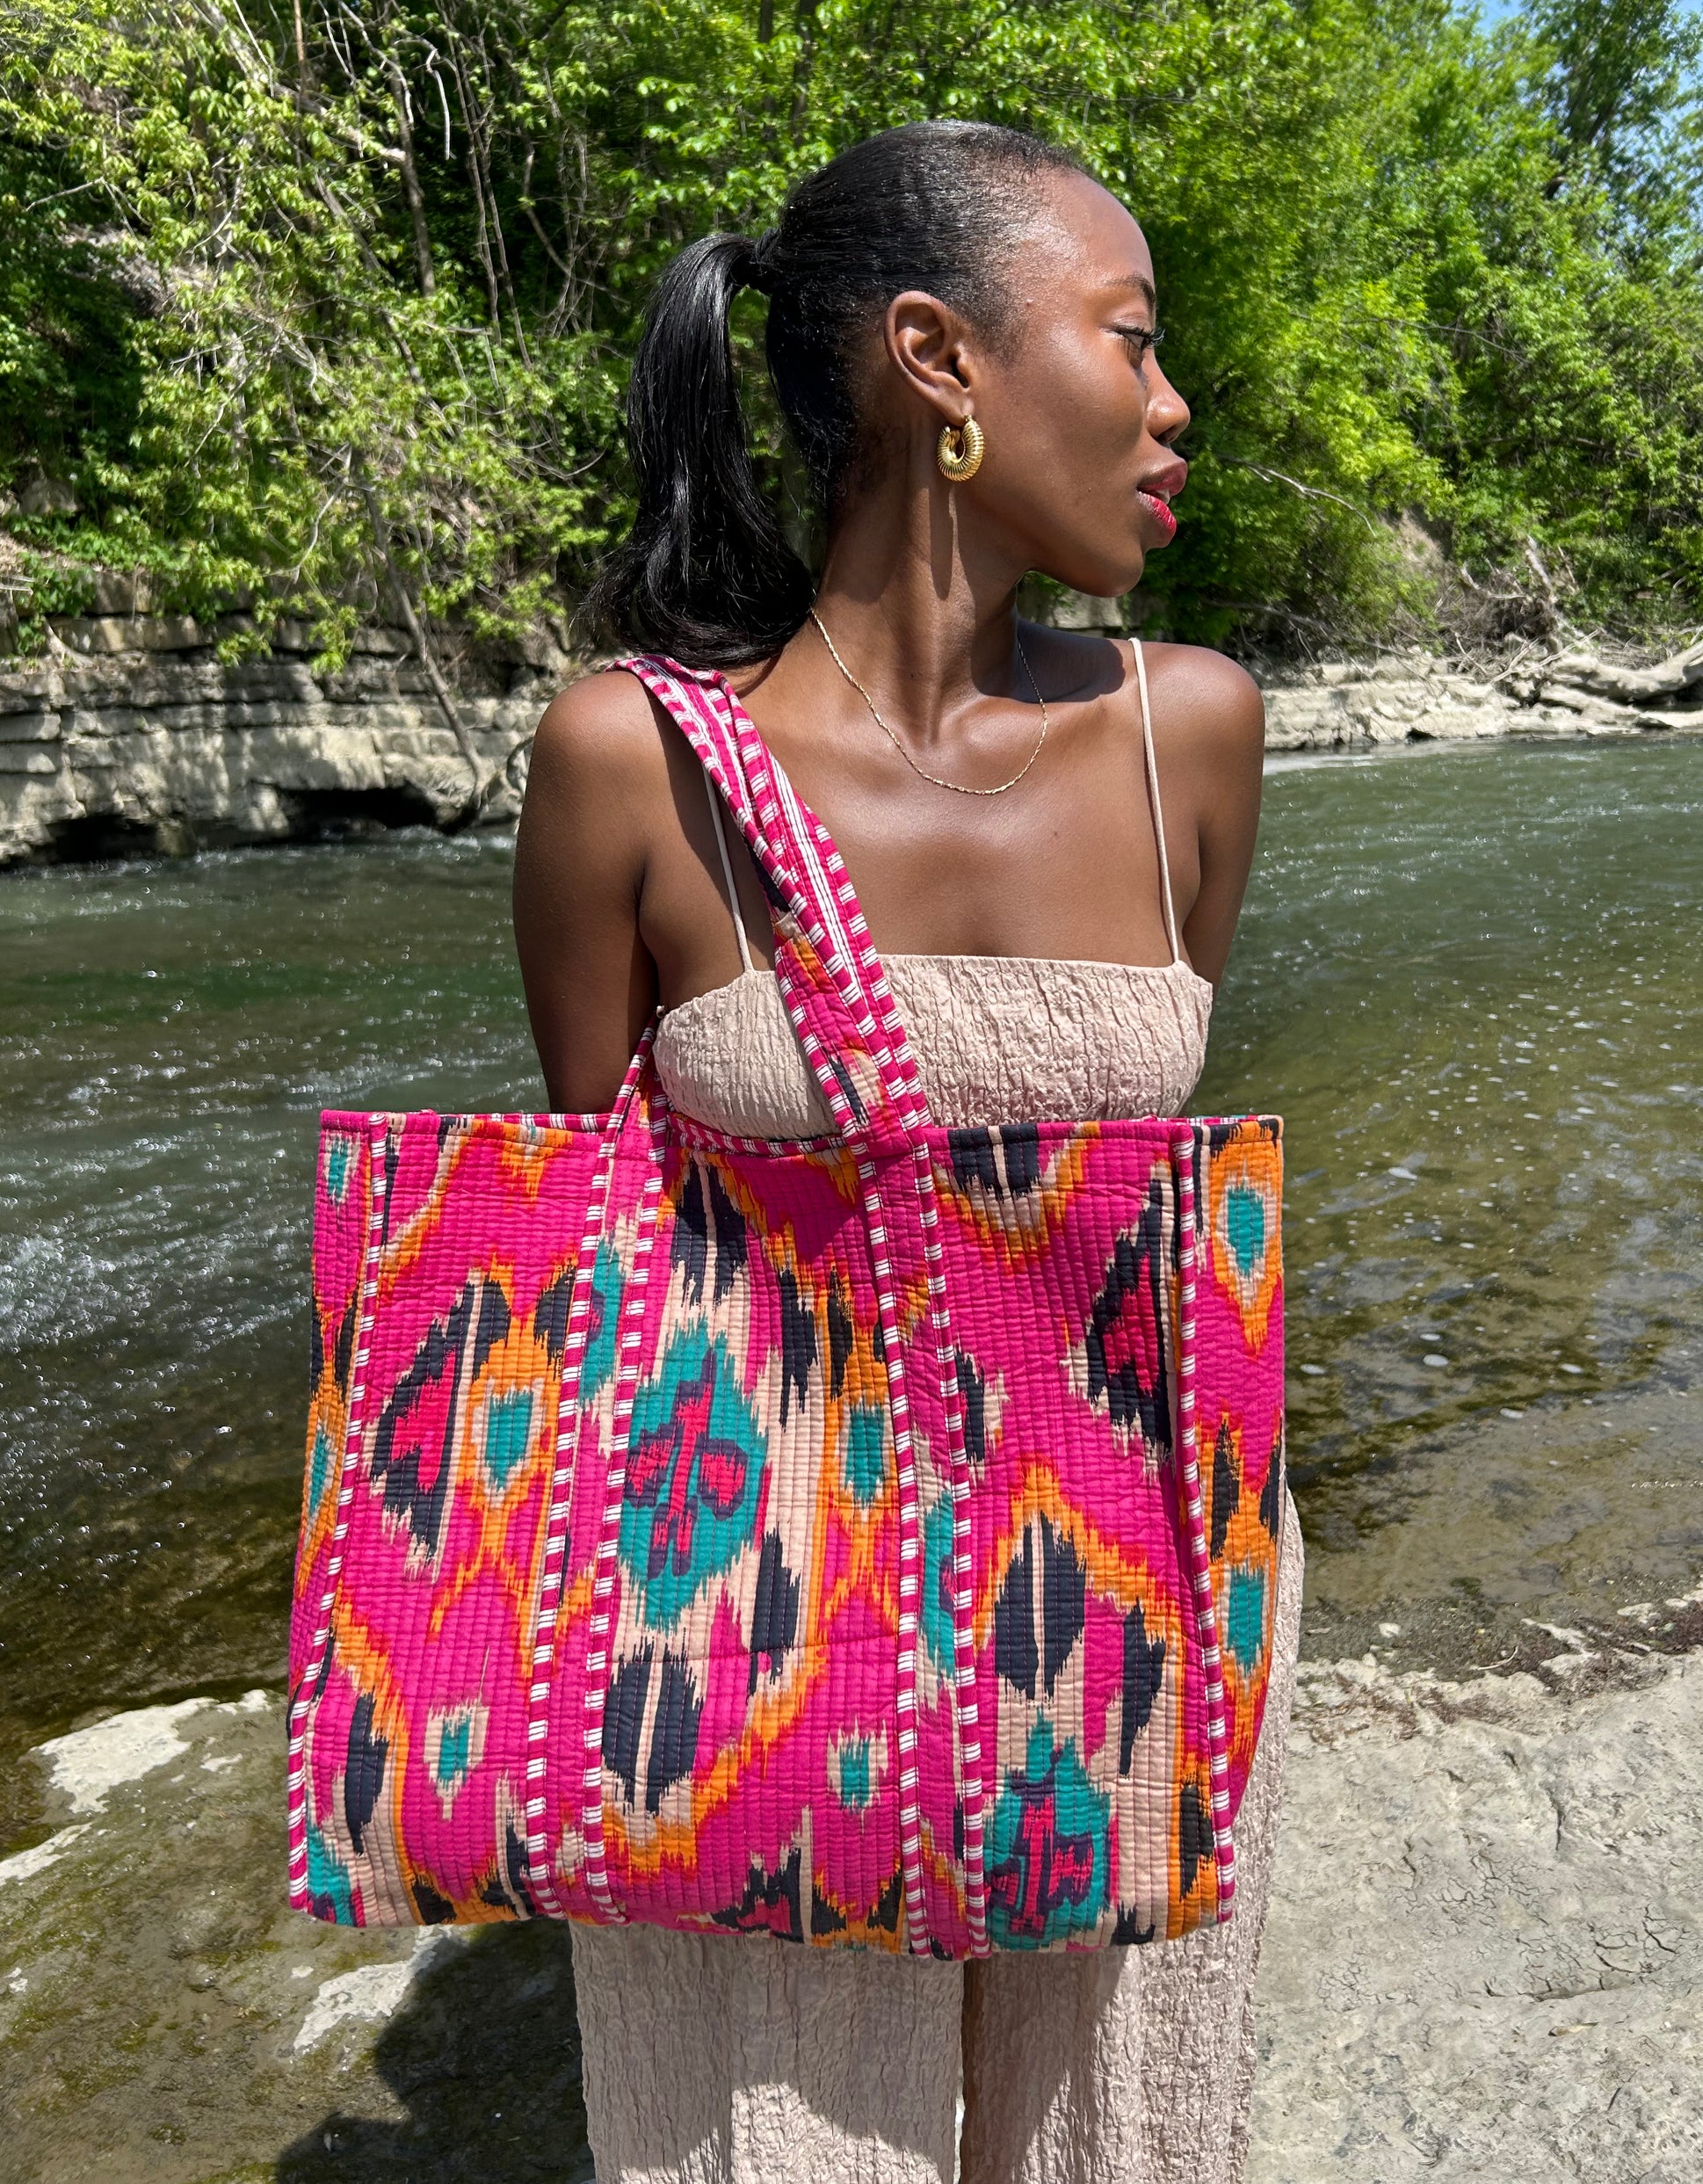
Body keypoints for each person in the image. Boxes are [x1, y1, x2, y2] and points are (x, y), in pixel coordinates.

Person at [512, 119, 1302, 2184]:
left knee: (1113, 2139)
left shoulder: (1187, 730)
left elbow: (1129, 1174)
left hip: (1140, 1608)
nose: (1170, 399)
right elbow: (597, 1242)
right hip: (742, 1619)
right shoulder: (632, 760)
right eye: (1128, 338)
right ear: (937, 361)